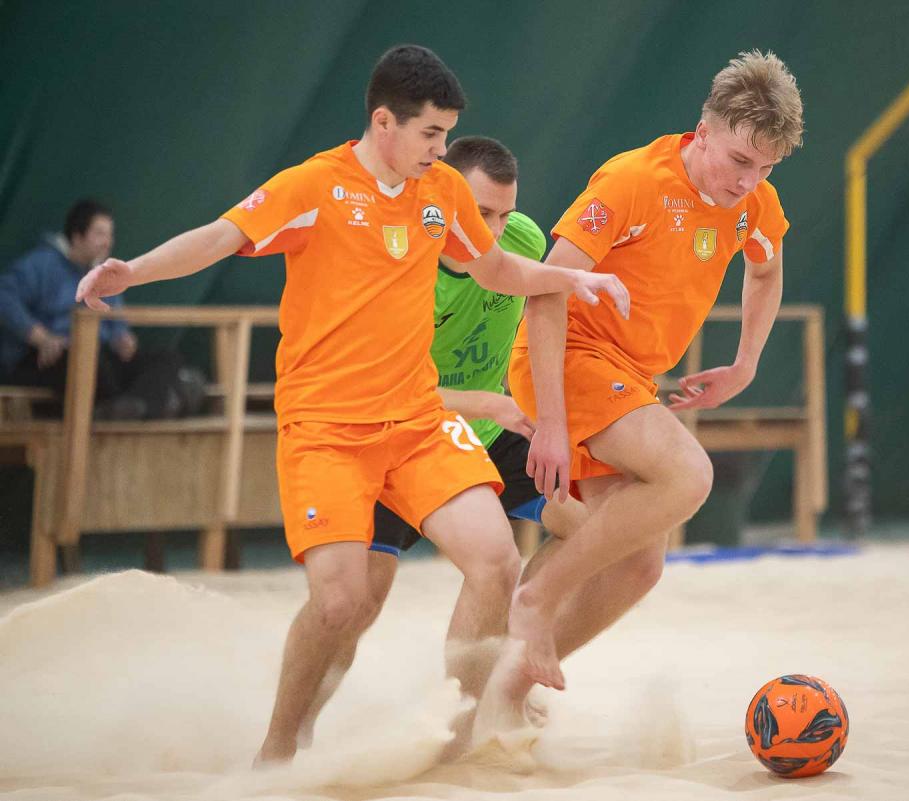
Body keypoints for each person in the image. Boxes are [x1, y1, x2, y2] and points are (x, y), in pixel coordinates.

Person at [75, 44, 628, 764]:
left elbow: (493, 267)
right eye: (431, 133)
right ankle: (280, 746)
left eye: (446, 134)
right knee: (341, 602)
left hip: (417, 421)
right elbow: (219, 237)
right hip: (327, 429)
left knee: (495, 560)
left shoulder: (442, 191)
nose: (440, 149)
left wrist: (572, 280)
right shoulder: (315, 186)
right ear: (384, 122)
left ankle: (460, 738)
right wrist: (134, 271)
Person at [475, 49, 804, 730]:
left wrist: (745, 363)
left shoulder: (754, 204)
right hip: (569, 357)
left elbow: (766, 272)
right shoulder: (632, 181)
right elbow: (546, 292)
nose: (750, 180)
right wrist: (553, 423)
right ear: (703, 131)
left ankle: (504, 688)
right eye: (740, 160)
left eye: (767, 168)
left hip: (630, 377)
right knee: (689, 473)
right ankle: (536, 599)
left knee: (640, 565)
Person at [295, 135, 588, 745]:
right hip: (405, 433)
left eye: (504, 214)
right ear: (443, 198)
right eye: (481, 214)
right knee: (355, 605)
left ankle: (490, 690)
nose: (493, 230)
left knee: (595, 529)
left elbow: (548, 304)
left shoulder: (522, 241)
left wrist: (549, 416)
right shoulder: (403, 262)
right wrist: (483, 401)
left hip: (496, 431)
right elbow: (378, 382)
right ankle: (295, 734)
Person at [0, 199, 147, 418]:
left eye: (110, 235)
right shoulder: (42, 264)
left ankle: (134, 410)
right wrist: (41, 338)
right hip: (51, 359)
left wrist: (122, 338)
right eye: (100, 234)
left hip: (101, 358)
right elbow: (4, 297)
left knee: (164, 359)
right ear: (77, 237)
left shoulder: (106, 274)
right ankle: (120, 412)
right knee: (80, 359)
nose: (107, 242)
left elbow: (117, 324)